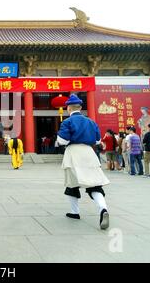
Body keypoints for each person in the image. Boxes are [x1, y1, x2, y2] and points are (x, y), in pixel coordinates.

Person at [56, 94, 110, 230]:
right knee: (94, 185)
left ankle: (75, 212)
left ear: (68, 108)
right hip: (89, 153)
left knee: (72, 184)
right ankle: (103, 208)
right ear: (80, 107)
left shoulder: (67, 122)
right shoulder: (91, 122)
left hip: (73, 154)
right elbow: (97, 141)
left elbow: (63, 141)